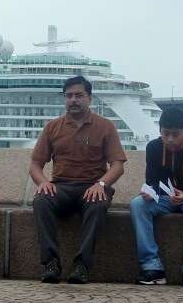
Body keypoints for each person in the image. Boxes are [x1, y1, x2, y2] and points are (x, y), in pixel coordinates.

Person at [30, 76, 127, 284]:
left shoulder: (105, 126)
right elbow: (35, 165)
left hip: (92, 186)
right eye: (69, 96)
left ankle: (82, 265)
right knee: (41, 201)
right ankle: (50, 263)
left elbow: (117, 165)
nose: (73, 100)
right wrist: (43, 183)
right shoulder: (52, 127)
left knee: (98, 204)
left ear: (89, 99)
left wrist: (101, 184)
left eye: (79, 95)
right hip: (61, 186)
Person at [130, 107, 183, 287]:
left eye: (175, 134)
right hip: (164, 198)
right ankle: (152, 267)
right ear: (160, 131)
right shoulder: (153, 147)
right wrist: (148, 192)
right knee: (138, 204)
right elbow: (151, 180)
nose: (170, 139)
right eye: (165, 134)